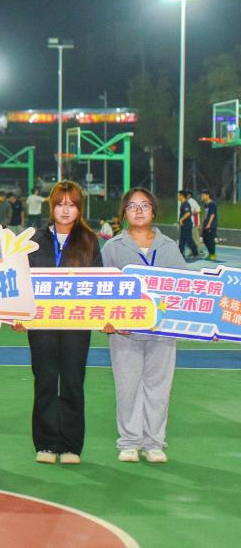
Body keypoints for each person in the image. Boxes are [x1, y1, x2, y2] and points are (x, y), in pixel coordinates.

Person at [14, 180, 102, 465]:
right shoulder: (34, 240)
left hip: (77, 326)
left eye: (72, 205)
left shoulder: (89, 241)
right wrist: (17, 315)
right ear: (51, 207)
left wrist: (106, 316)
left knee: (73, 383)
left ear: (79, 209)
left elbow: (101, 285)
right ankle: (47, 444)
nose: (65, 210)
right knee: (46, 382)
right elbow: (20, 281)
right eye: (60, 204)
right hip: (42, 327)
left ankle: (71, 446)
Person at [101, 188, 187, 464]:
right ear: (124, 212)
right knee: (127, 388)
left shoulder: (169, 247)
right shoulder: (112, 248)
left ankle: (154, 443)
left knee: (159, 388)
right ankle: (129, 442)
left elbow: (187, 289)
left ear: (153, 211)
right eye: (132, 206)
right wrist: (105, 320)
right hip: (124, 334)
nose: (138, 210)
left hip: (162, 333)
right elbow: (100, 289)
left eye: (145, 205)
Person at [177, 190, 198, 259]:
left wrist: (181, 219)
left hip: (187, 225)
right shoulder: (183, 204)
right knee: (182, 240)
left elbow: (188, 213)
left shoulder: (185, 204)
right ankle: (180, 254)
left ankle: (195, 252)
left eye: (178, 195)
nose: (177, 197)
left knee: (189, 239)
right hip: (184, 225)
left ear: (182, 196)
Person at [200, 189, 218, 262]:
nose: (202, 197)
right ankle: (210, 253)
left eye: (203, 195)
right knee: (205, 239)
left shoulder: (212, 204)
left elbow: (212, 214)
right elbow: (205, 214)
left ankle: (213, 254)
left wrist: (209, 224)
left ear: (208, 195)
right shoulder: (205, 204)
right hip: (205, 224)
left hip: (211, 225)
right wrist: (202, 222)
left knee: (211, 240)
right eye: (202, 196)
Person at [187, 190, 205, 256]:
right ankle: (193, 251)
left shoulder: (192, 201)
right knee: (191, 238)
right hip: (189, 223)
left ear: (189, 195)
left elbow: (198, 210)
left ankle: (200, 251)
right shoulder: (187, 202)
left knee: (195, 237)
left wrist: (190, 213)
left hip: (194, 223)